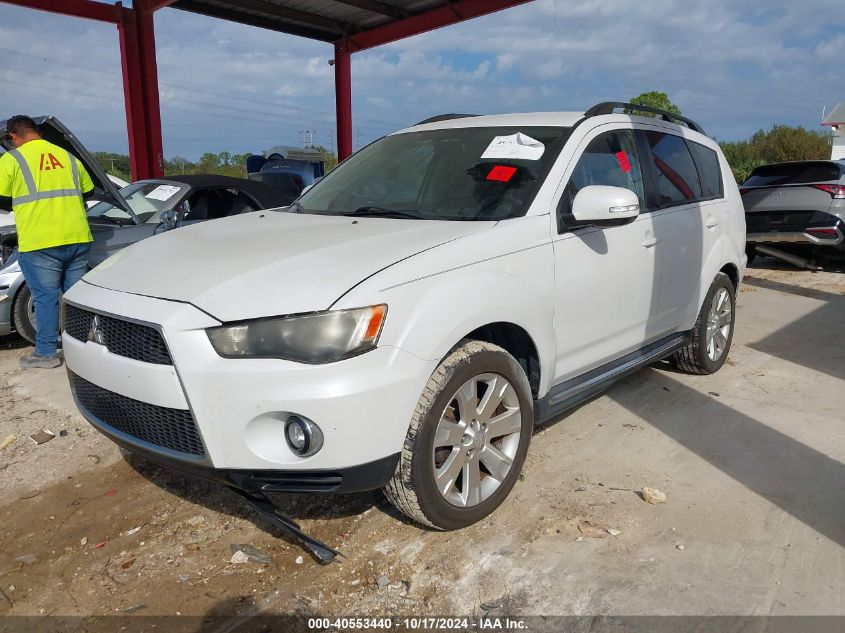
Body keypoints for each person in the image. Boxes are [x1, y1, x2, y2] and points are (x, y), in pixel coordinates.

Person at [0, 115, 95, 369]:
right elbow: (89, 192)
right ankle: (84, 348)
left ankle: (46, 353)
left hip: (40, 241)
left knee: (45, 298)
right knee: (76, 297)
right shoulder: (68, 156)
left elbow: (1, 198)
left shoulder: (12, 159)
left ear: (13, 136)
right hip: (77, 237)